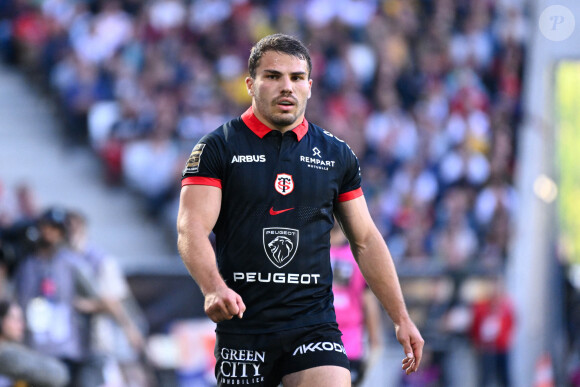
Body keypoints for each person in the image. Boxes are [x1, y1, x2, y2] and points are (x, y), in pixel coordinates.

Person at [176, 33, 424, 387]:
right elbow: (191, 228)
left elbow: (365, 239)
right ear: (250, 84)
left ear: (310, 85)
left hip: (313, 323)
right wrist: (213, 287)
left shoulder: (337, 155)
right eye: (273, 76)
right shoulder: (218, 149)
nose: (286, 87)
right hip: (246, 327)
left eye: (296, 78)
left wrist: (401, 317)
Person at [12, 207, 98, 387]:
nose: (50, 233)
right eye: (47, 227)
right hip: (34, 346)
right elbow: (17, 300)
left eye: (56, 229)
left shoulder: (71, 263)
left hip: (65, 345)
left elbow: (96, 296)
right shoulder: (27, 264)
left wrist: (83, 305)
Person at [330, 222, 383, 385]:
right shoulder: (358, 255)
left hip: (345, 342)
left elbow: (369, 303)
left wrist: (375, 341)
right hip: (330, 341)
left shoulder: (358, 255)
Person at [0, 299, 70, 387]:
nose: (21, 325)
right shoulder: (6, 355)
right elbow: (58, 374)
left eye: (21, 319)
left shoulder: (13, 351)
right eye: (15, 319)